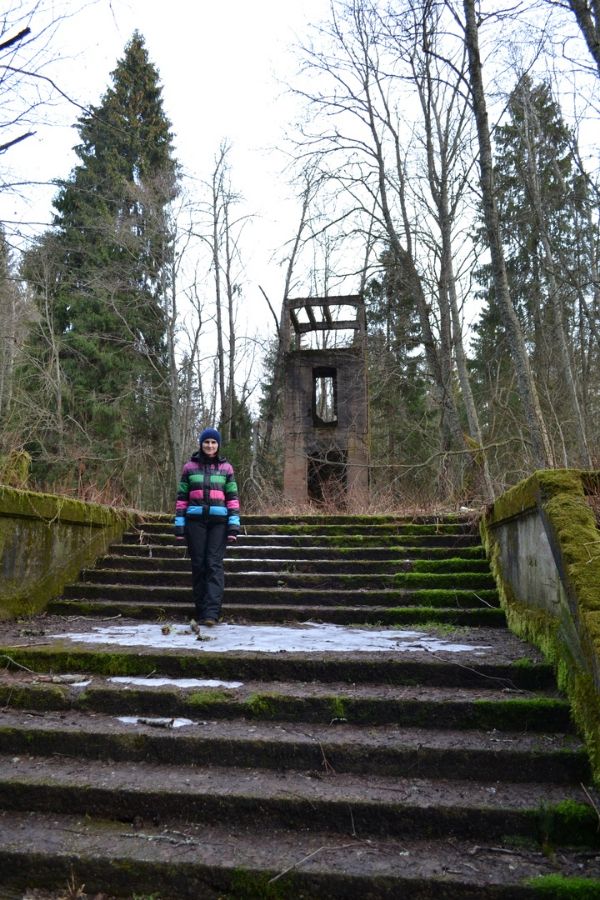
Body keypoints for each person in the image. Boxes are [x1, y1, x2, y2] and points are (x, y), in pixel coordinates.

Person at [174, 427, 240, 625]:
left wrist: (234, 525)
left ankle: (212, 613)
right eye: (206, 442)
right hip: (195, 523)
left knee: (213, 564)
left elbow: (232, 499)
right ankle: (201, 611)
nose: (210, 446)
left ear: (218, 445)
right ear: (201, 444)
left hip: (218, 523)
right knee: (199, 565)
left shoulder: (226, 468)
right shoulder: (189, 468)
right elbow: (181, 499)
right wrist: (179, 525)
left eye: (213, 442)